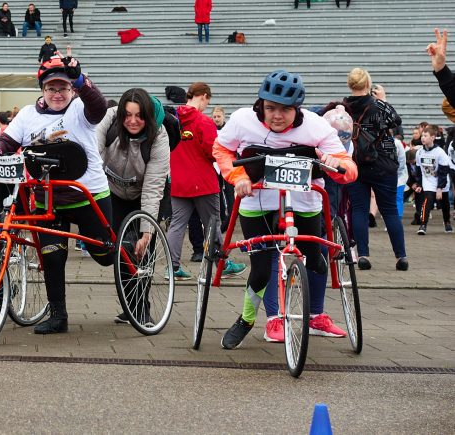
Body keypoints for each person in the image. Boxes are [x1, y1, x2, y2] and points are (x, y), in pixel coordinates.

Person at [0, 55, 112, 334]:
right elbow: (7, 141)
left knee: (104, 254)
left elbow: (98, 107)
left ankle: (135, 255)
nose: (57, 94)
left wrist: (80, 79)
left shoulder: (80, 107)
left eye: (63, 88)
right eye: (51, 88)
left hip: (87, 193)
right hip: (47, 199)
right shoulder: (29, 114)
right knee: (52, 256)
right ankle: (58, 316)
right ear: (42, 89)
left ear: (72, 89)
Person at [213, 69, 357, 349]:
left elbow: (349, 169)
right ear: (261, 105)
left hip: (304, 200)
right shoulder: (242, 120)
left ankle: (313, 309)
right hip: (257, 199)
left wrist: (333, 162)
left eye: (285, 110)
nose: (276, 115)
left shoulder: (315, 126)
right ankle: (247, 319)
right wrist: (238, 177)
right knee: (260, 269)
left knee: (315, 258)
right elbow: (221, 151)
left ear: (298, 109)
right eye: (270, 108)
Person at [96, 87, 170, 324]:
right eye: (127, 115)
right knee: (121, 250)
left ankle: (141, 308)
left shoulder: (159, 136)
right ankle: (131, 306)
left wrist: (147, 232)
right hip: (112, 190)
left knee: (142, 251)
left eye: (139, 116)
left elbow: (153, 187)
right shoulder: (109, 120)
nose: (132, 121)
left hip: (144, 193)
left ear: (147, 117)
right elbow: (94, 155)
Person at [167, 82, 245, 280]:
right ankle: (222, 263)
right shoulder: (204, 122)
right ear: (203, 96)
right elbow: (213, 153)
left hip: (179, 181)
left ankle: (172, 267)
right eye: (207, 101)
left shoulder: (173, 119)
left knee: (176, 225)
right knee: (213, 223)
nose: (206, 106)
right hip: (203, 182)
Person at [342, 67, 408, 271]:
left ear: (350, 84)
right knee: (389, 210)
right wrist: (383, 98)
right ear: (368, 84)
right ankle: (401, 257)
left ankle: (363, 255)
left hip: (355, 163)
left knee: (359, 210)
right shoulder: (378, 105)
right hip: (382, 162)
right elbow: (396, 122)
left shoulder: (342, 108)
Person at [413, 124, 452, 234]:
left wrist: (440, 188)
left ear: (433, 137)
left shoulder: (440, 152)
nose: (422, 138)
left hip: (441, 181)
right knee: (428, 201)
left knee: (445, 204)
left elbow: (443, 172)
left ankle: (447, 221)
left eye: (425, 136)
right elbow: (418, 170)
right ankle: (423, 225)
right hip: (428, 182)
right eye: (422, 135)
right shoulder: (420, 152)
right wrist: (419, 184)